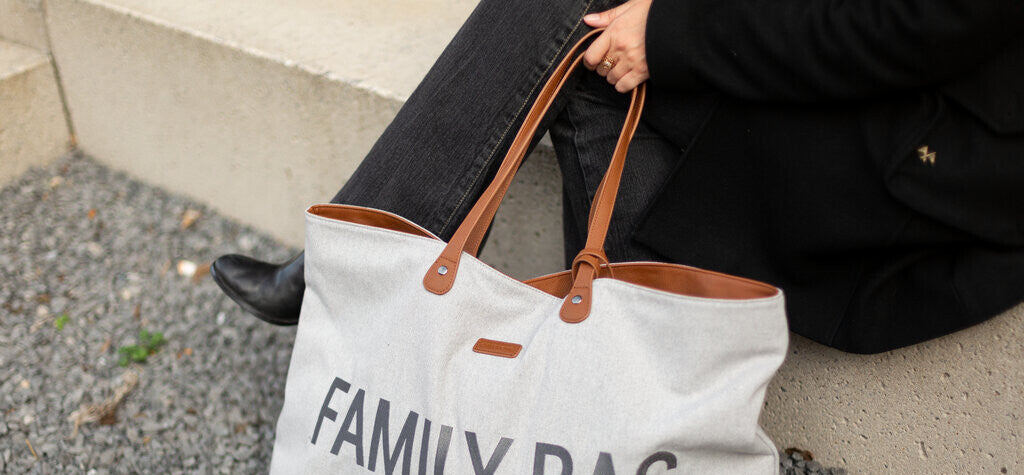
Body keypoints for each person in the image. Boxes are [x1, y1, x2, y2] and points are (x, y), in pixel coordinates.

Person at [210, 0, 1024, 354]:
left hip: (924, 164)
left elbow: (911, 26)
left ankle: (356, 271)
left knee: (574, 22)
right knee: (593, 39)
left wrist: (671, 35)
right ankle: (614, 374)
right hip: (878, 99)